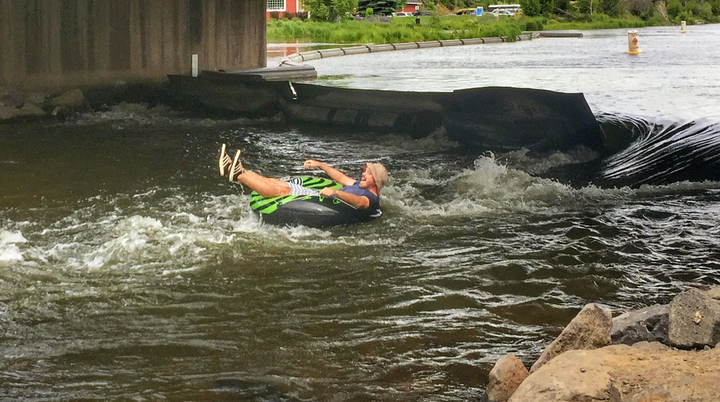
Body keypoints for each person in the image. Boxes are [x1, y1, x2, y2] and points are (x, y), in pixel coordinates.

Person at [217, 143, 388, 211]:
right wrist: (320, 164)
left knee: (281, 190)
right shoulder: (359, 185)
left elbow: (358, 202)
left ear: (377, 180)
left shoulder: (371, 199)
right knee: (276, 182)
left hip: (319, 200)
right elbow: (341, 178)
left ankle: (239, 175)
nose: (363, 173)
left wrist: (336, 193)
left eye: (368, 173)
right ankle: (237, 169)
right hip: (316, 194)